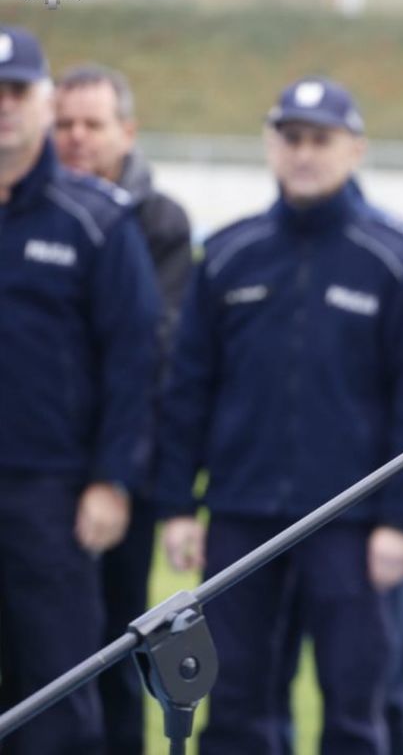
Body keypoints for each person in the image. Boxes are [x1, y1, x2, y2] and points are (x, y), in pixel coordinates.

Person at [156, 76, 403, 755]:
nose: (304, 153)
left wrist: (400, 522)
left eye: (321, 139)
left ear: (355, 148)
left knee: (357, 709)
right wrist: (177, 505)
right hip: (241, 516)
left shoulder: (397, 258)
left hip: (351, 526)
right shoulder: (230, 254)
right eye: (291, 138)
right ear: (270, 145)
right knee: (234, 707)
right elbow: (189, 387)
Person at [0, 26, 160, 753]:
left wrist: (110, 481)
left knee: (56, 690)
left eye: (17, 92)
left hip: (50, 497)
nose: (4, 107)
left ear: (42, 102)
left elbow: (132, 361)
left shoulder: (95, 222)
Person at [53, 62, 193, 755]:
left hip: (122, 462)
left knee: (114, 644)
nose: (76, 138)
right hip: (38, 466)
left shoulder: (159, 222)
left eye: (92, 124)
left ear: (126, 132)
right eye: (64, 125)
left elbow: (153, 343)